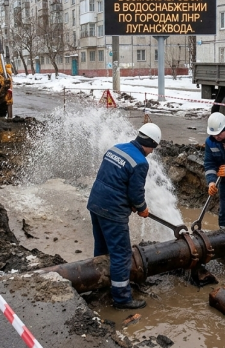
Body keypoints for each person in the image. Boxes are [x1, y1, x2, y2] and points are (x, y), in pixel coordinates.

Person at [87, 123, 161, 310]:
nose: (152, 152)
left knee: (102, 248)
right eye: (154, 147)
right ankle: (121, 299)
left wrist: (132, 204)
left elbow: (114, 179)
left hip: (96, 203)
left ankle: (101, 284)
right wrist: (141, 207)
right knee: (121, 254)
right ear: (150, 143)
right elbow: (136, 193)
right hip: (113, 211)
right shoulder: (140, 162)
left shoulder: (116, 148)